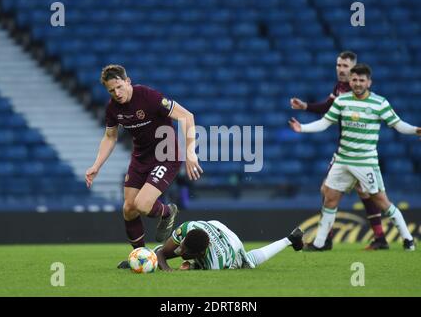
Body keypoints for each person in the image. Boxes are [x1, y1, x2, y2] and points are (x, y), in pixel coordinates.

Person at [289, 63, 420, 251]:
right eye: (355, 80)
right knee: (330, 198)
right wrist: (302, 128)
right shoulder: (342, 101)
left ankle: (408, 239)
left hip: (365, 163)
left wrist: (416, 130)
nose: (358, 83)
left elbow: (398, 125)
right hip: (342, 160)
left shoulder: (379, 103)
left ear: (369, 82)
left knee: (382, 202)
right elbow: (325, 122)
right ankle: (320, 243)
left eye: (361, 80)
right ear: (350, 81)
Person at [85, 65, 203, 268]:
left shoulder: (149, 97)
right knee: (129, 209)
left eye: (120, 87)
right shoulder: (113, 108)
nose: (117, 93)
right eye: (111, 90)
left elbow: (187, 116)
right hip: (140, 159)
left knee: (141, 204)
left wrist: (190, 152)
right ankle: (140, 256)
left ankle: (167, 212)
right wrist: (97, 165)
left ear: (128, 81)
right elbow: (110, 137)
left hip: (166, 156)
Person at [156, 220, 303, 271]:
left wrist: (190, 266)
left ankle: (290, 239)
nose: (180, 250)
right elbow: (161, 253)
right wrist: (167, 267)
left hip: (232, 243)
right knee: (169, 251)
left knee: (248, 263)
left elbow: (196, 265)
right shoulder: (188, 227)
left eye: (185, 251)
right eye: (182, 245)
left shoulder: (217, 263)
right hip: (213, 226)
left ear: (200, 254)